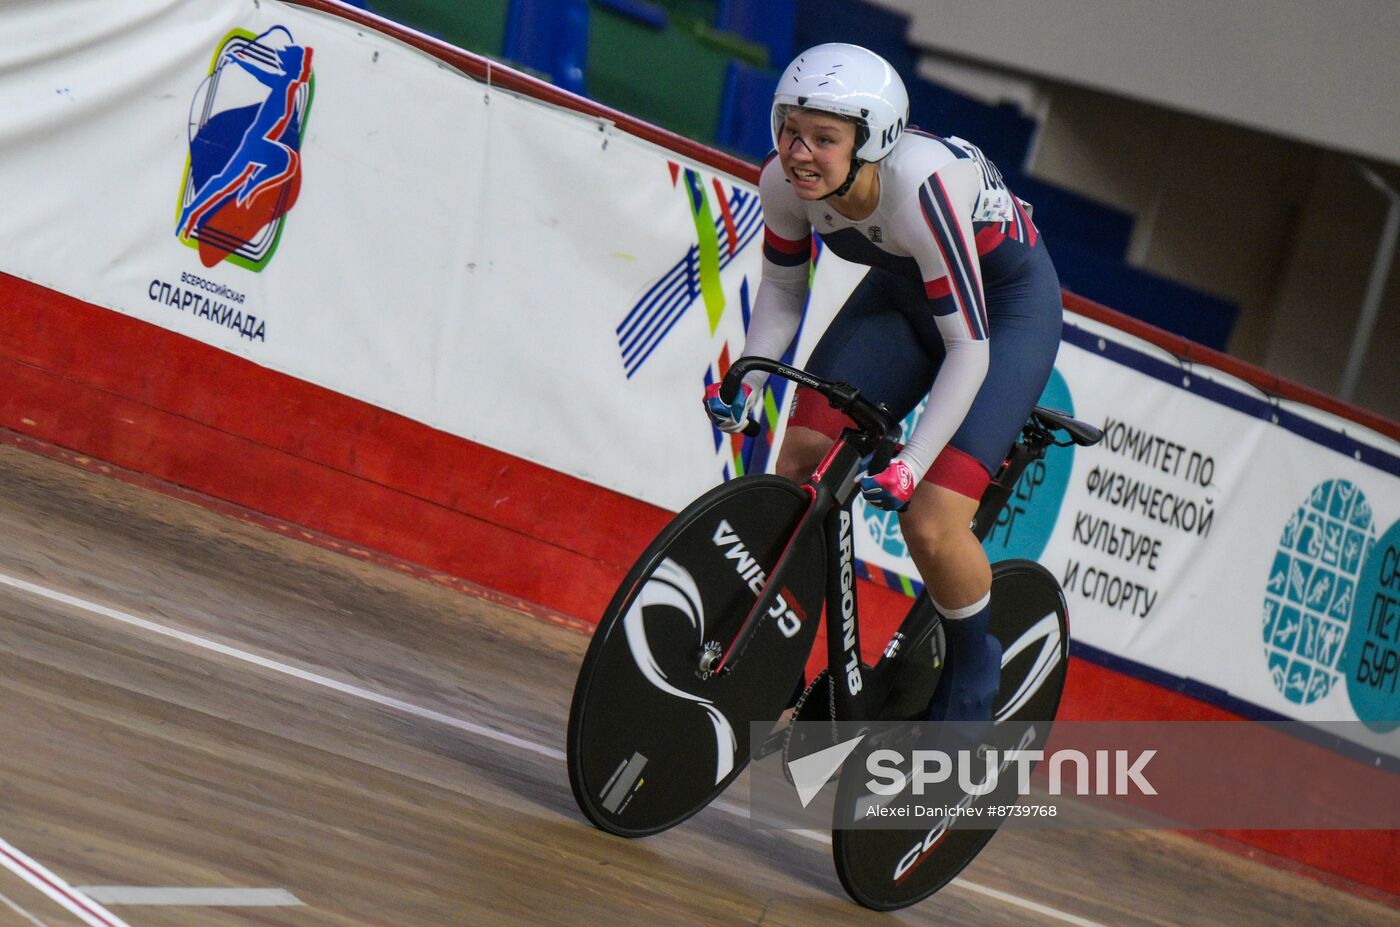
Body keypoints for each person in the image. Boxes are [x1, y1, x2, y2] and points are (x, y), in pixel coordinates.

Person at [703, 43, 1063, 729]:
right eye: (789, 130)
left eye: (824, 139)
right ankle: (787, 653)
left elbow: (967, 349)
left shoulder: (920, 189)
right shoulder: (782, 182)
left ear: (874, 141)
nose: (799, 152)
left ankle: (973, 669)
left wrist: (912, 465)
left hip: (1005, 315)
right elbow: (782, 295)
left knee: (929, 520)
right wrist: (747, 378)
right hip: (904, 295)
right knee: (803, 463)